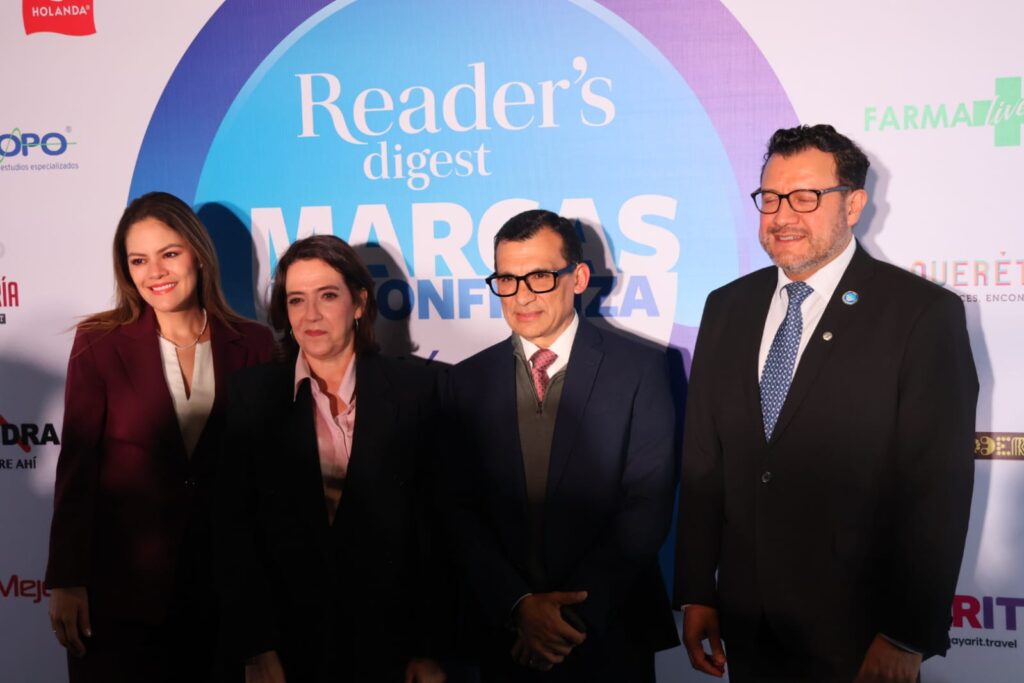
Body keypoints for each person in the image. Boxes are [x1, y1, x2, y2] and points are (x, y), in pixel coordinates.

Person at [675, 124, 978, 683]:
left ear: (854, 205)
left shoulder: (920, 314)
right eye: (771, 198)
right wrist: (697, 589)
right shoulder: (726, 307)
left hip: (861, 633)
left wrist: (905, 634)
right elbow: (702, 465)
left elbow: (937, 488)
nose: (782, 215)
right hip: (747, 624)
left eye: (805, 197)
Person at [45, 191, 275, 682]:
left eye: (169, 253)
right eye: (138, 260)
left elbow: (265, 483)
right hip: (118, 602)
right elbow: (77, 469)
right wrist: (66, 579)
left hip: (221, 601)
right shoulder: (99, 343)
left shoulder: (254, 344)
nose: (155, 272)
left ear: (198, 254)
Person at [444, 210, 679, 682]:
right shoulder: (464, 381)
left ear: (579, 278)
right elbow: (456, 509)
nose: (522, 296)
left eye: (539, 277)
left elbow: (646, 506)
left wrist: (565, 621)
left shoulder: (641, 370)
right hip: (506, 636)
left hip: (609, 631)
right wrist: (519, 606)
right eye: (507, 280)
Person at [217, 235, 449, 683]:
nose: (310, 315)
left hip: (391, 650)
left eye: (327, 296)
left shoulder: (415, 392)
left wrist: (429, 649)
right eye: (296, 300)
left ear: (359, 303)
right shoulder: (253, 394)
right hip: (287, 651)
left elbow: (435, 533)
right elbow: (234, 531)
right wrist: (256, 646)